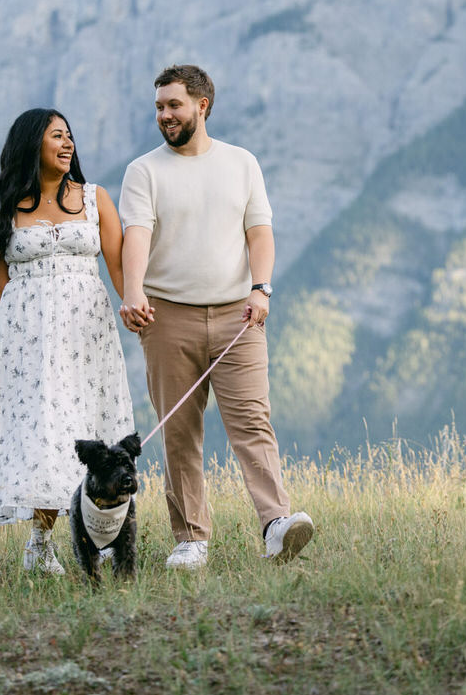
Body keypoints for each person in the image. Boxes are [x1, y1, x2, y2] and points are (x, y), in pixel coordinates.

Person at [118, 64, 313, 568]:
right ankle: (191, 540)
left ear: (202, 105)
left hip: (238, 317)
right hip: (167, 319)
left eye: (173, 105)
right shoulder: (144, 171)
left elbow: (260, 233)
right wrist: (133, 292)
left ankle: (276, 524)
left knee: (252, 420)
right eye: (159, 106)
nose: (164, 115)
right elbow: (135, 235)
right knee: (180, 429)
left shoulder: (242, 163)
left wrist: (261, 288)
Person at [0, 108, 136, 574]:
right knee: (44, 437)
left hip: (88, 336)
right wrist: (7, 356)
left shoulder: (95, 199)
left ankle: (103, 536)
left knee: (94, 429)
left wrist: (137, 308)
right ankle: (40, 542)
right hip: (28, 344)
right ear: (30, 145)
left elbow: (120, 271)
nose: (68, 145)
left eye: (70, 137)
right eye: (56, 136)